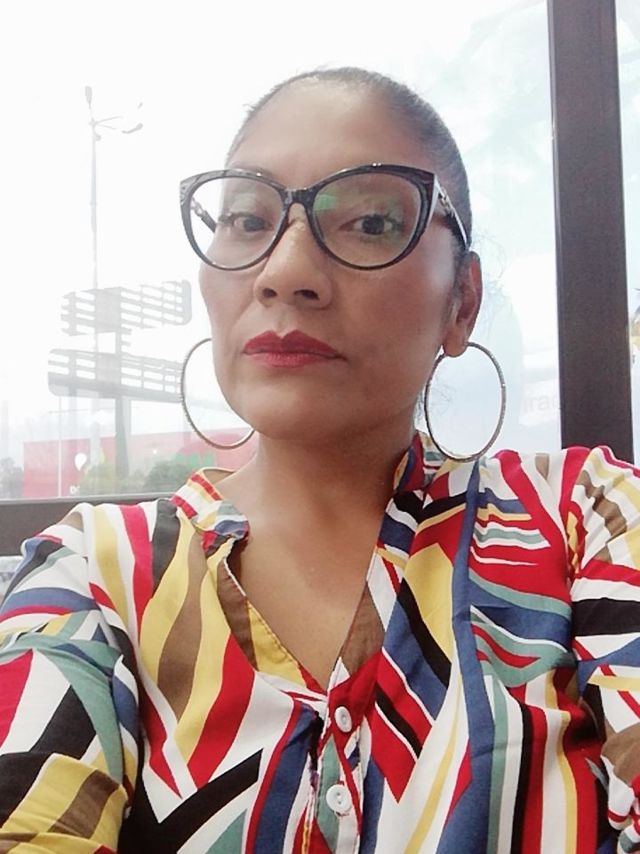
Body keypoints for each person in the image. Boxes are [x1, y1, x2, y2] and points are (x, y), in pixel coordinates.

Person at [1, 67, 639, 854]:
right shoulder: (95, 574)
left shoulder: (587, 519)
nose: (285, 273)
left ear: (463, 302)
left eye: (370, 222)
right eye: (247, 219)